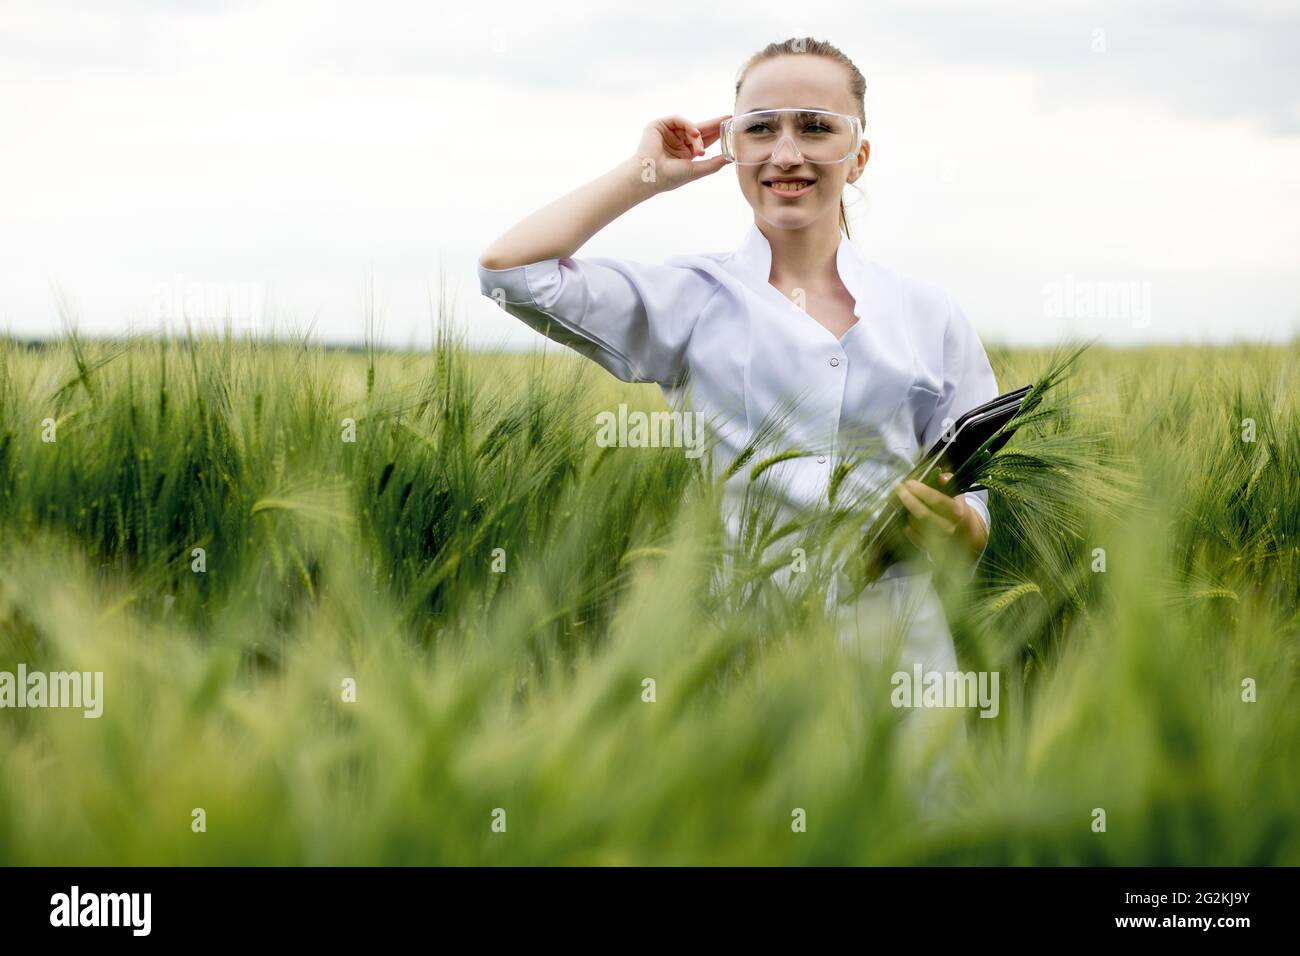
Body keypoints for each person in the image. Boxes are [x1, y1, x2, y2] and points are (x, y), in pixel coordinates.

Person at [477, 37, 999, 743]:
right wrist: (645, 175)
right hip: (754, 652)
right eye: (760, 128)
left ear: (860, 154)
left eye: (815, 126)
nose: (787, 152)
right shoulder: (692, 297)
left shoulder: (930, 314)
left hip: (905, 661)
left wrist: (957, 525)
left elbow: (975, 505)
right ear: (730, 149)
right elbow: (511, 273)